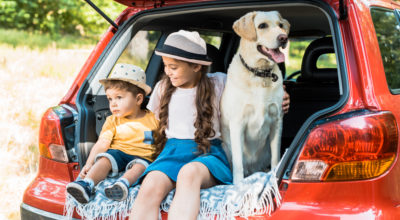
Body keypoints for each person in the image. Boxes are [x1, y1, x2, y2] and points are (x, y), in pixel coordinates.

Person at [129, 30, 290, 220]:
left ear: (196, 66)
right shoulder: (162, 89)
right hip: (171, 153)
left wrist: (279, 95)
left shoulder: (220, 82)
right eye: (165, 66)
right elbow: (152, 124)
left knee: (188, 174)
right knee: (150, 184)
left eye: (173, 67)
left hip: (208, 152)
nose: (167, 72)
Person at [66, 63, 159, 204]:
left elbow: (163, 142)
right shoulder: (112, 121)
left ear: (139, 99)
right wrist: (89, 163)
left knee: (140, 167)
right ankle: (87, 185)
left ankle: (122, 185)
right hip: (118, 153)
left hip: (143, 157)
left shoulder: (153, 119)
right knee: (105, 158)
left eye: (119, 97)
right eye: (110, 98)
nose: (113, 104)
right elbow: (102, 144)